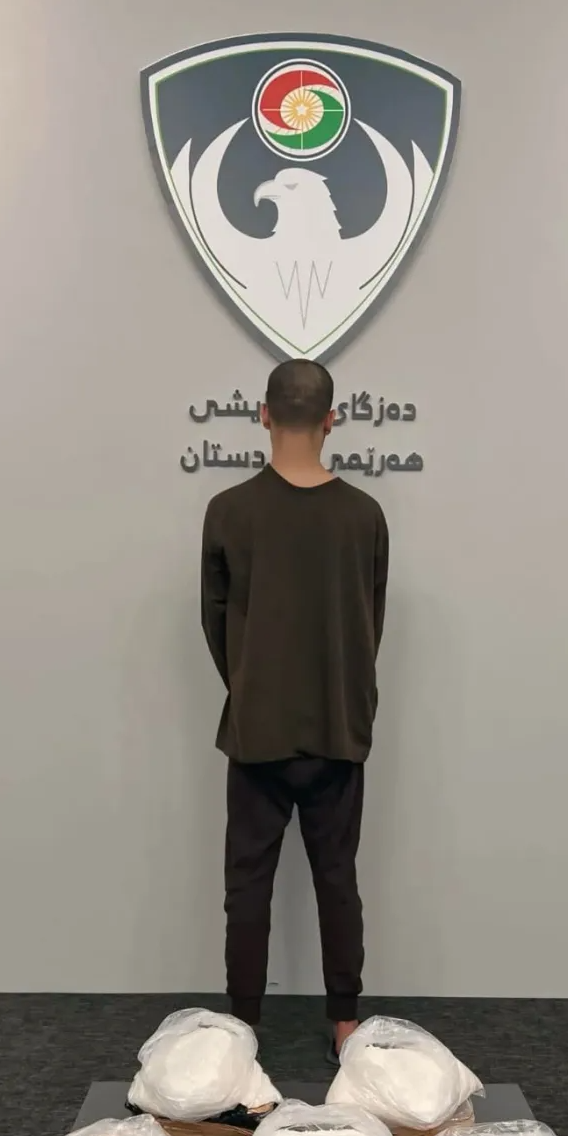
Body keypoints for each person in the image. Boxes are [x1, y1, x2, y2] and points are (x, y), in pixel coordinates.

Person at [200, 358, 389, 1060]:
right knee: (338, 877)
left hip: (258, 728)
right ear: (332, 420)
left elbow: (215, 621)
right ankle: (345, 1027)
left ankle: (243, 1030)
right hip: (338, 725)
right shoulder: (365, 516)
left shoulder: (228, 511)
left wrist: (251, 682)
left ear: (263, 415)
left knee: (246, 883)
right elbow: (370, 623)